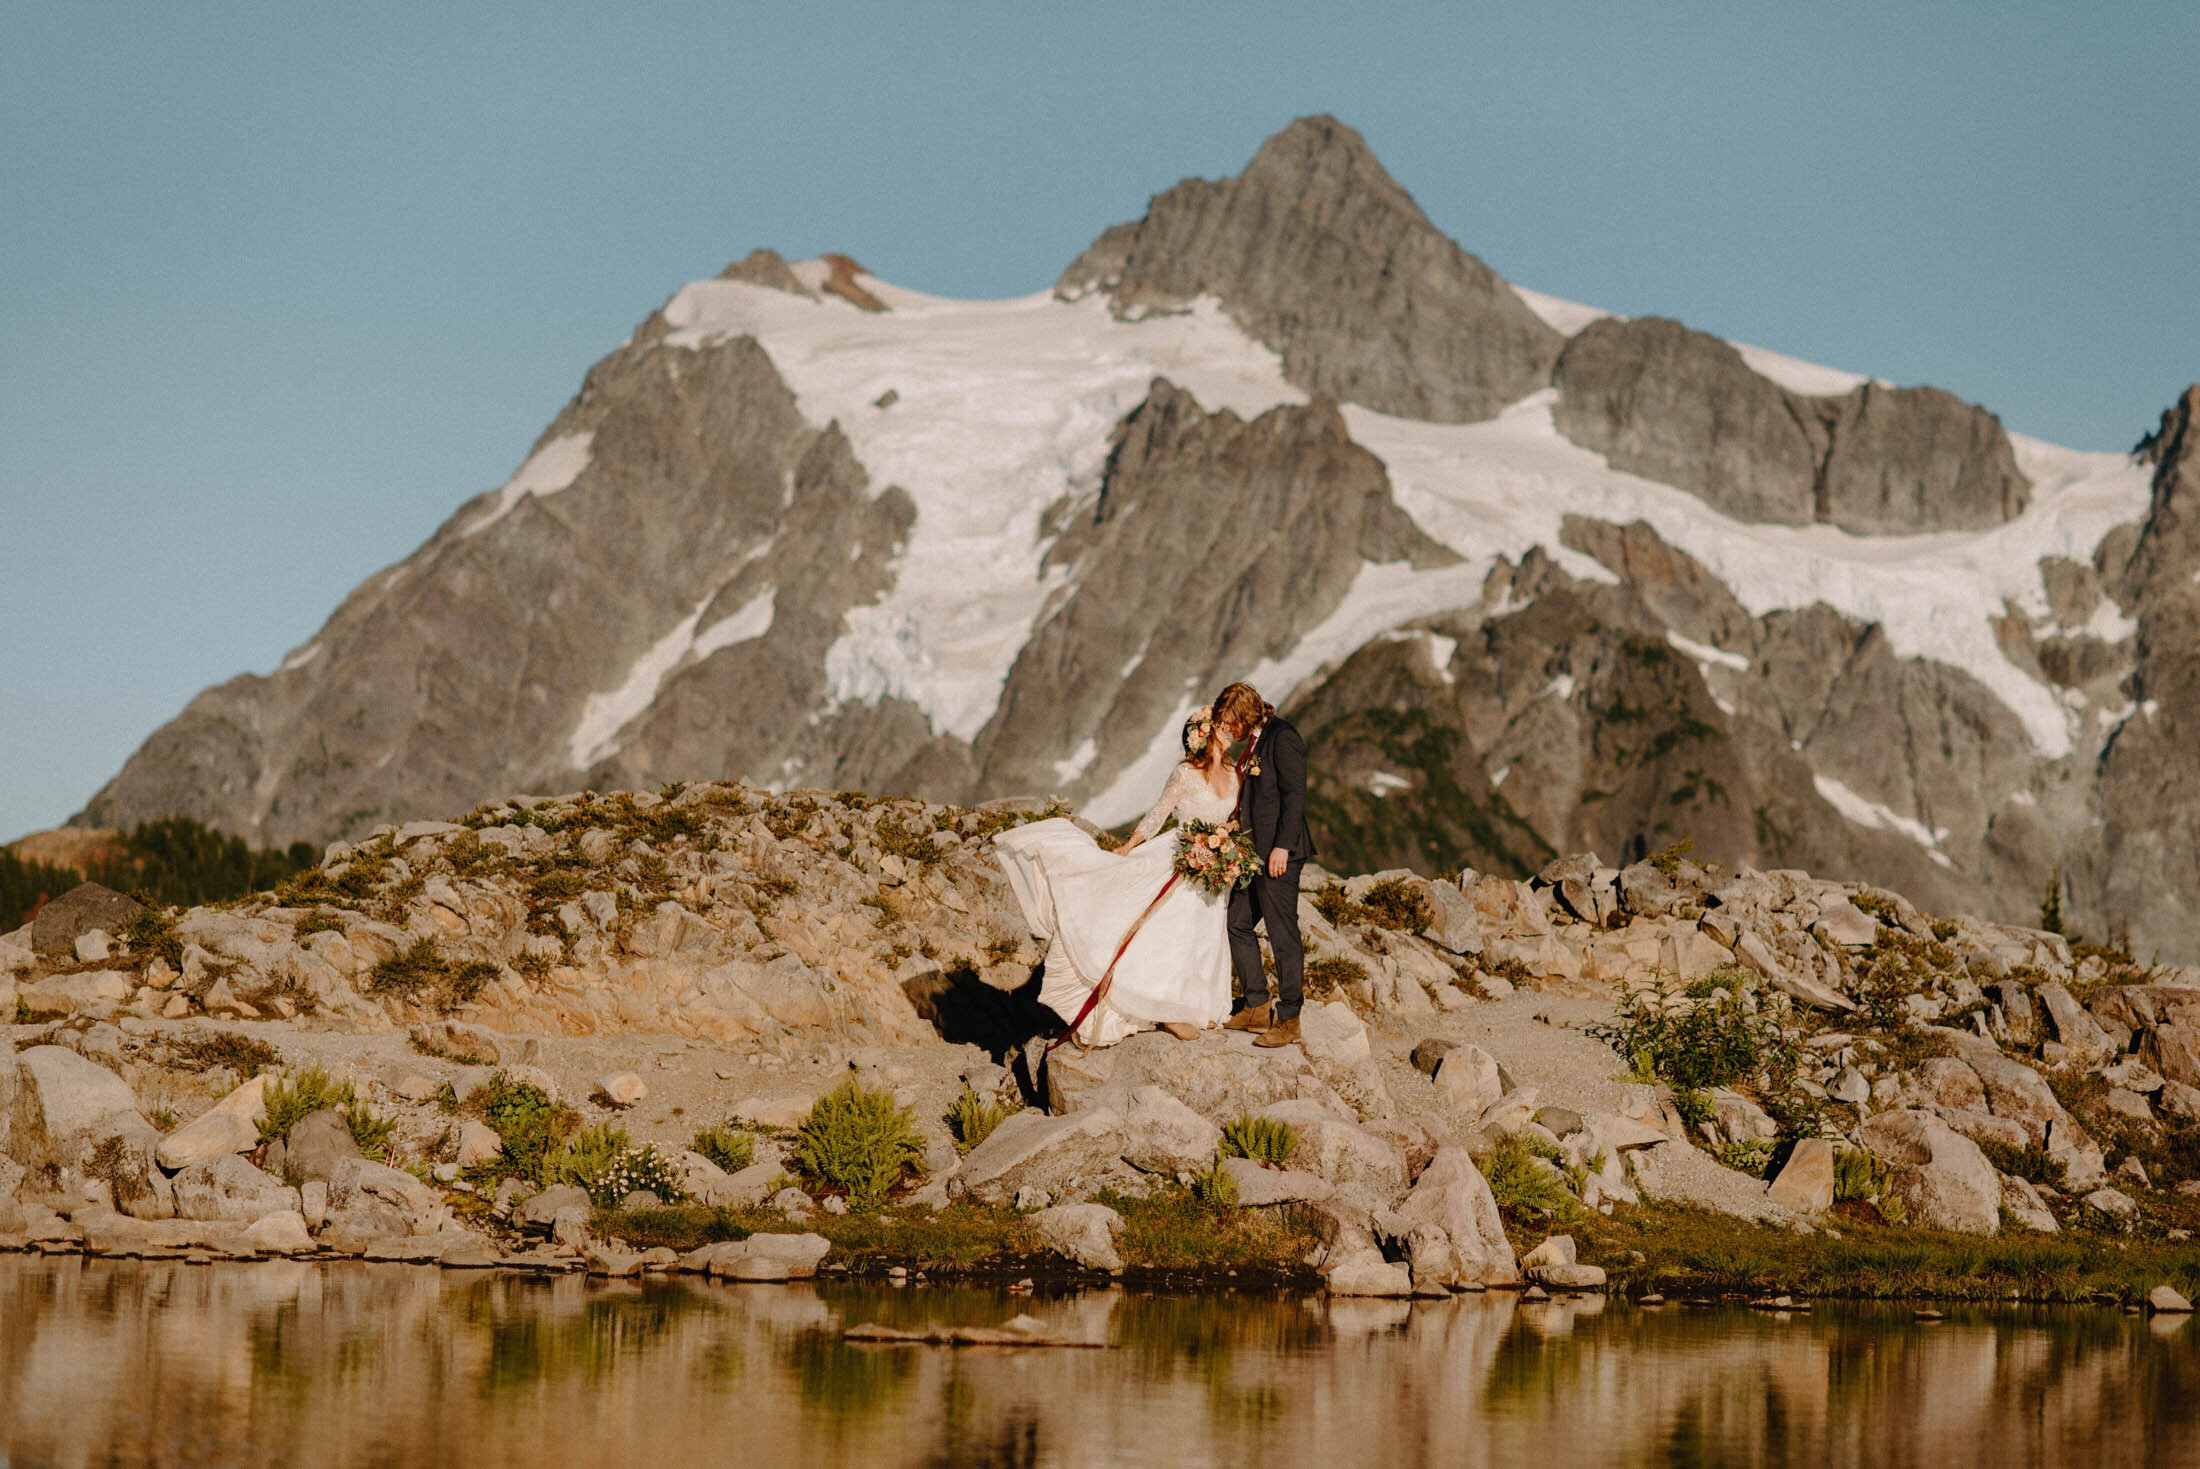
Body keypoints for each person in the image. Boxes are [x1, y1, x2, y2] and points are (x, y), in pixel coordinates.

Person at [993, 708, 1239, 1047]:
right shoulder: (1185, 773)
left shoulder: (1233, 771)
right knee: (1171, 928)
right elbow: (1158, 814)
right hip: (1180, 854)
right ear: (1206, 734)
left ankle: (1192, 1002)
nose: (1229, 733)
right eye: (1222, 727)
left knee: (1203, 933)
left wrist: (1228, 841)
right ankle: (1164, 1006)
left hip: (1215, 864)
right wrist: (1130, 845)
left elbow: (1235, 815)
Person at [1213, 681, 1315, 1049]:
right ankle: (1256, 1004)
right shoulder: (1255, 741)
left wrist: (1282, 848)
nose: (1226, 730)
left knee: (1281, 931)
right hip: (1253, 852)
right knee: (1237, 922)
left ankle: (1289, 1018)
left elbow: (1295, 795)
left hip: (1278, 853)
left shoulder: (1283, 737)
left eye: (1229, 723)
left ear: (1244, 716)